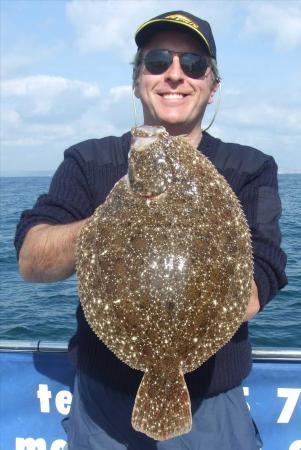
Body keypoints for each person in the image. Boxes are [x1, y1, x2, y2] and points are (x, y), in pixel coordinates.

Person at [15, 10, 287, 450]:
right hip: (101, 410)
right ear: (138, 78)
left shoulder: (251, 168)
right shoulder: (89, 160)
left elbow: (262, 278)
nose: (175, 75)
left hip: (214, 410)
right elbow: (30, 260)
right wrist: (112, 225)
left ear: (212, 86)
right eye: (158, 61)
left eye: (193, 64)